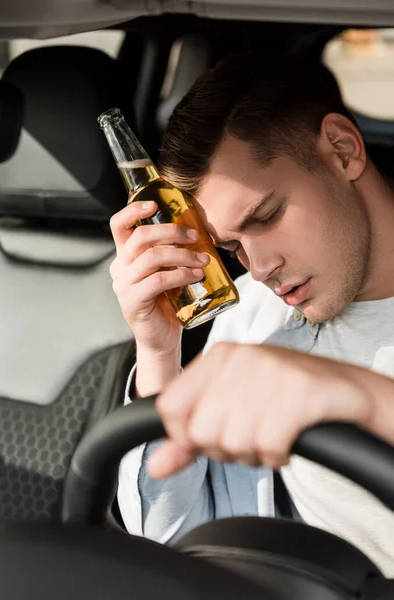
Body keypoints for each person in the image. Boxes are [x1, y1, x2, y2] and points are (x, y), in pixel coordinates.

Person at [110, 52, 394, 574]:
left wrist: (366, 400)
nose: (259, 268)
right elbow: (173, 544)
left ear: (342, 149)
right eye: (232, 247)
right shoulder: (252, 320)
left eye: (266, 216)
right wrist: (158, 354)